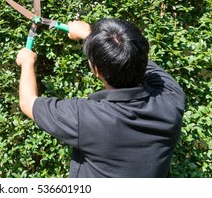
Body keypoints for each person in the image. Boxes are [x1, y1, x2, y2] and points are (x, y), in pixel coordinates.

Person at [16, 18, 185, 177]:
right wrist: (94, 38)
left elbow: (28, 102)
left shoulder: (86, 118)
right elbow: (135, 59)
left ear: (97, 71)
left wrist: (27, 62)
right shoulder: (171, 97)